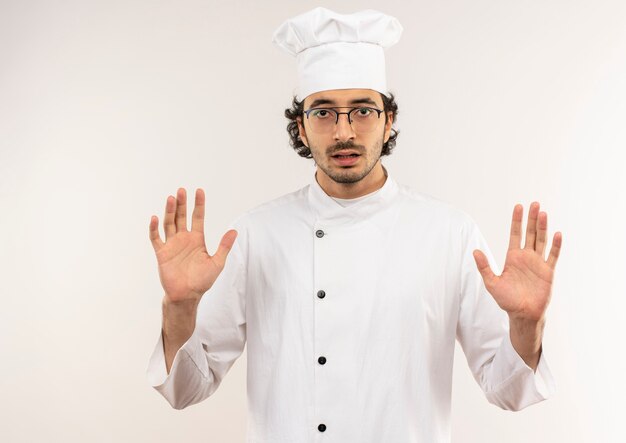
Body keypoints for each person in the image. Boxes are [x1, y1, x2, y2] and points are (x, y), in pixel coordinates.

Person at [146, 7, 562, 443]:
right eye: (323, 112)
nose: (344, 131)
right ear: (301, 129)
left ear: (388, 120)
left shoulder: (450, 234)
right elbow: (185, 390)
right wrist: (180, 306)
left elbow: (509, 392)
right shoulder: (255, 236)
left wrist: (525, 323)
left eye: (362, 110)